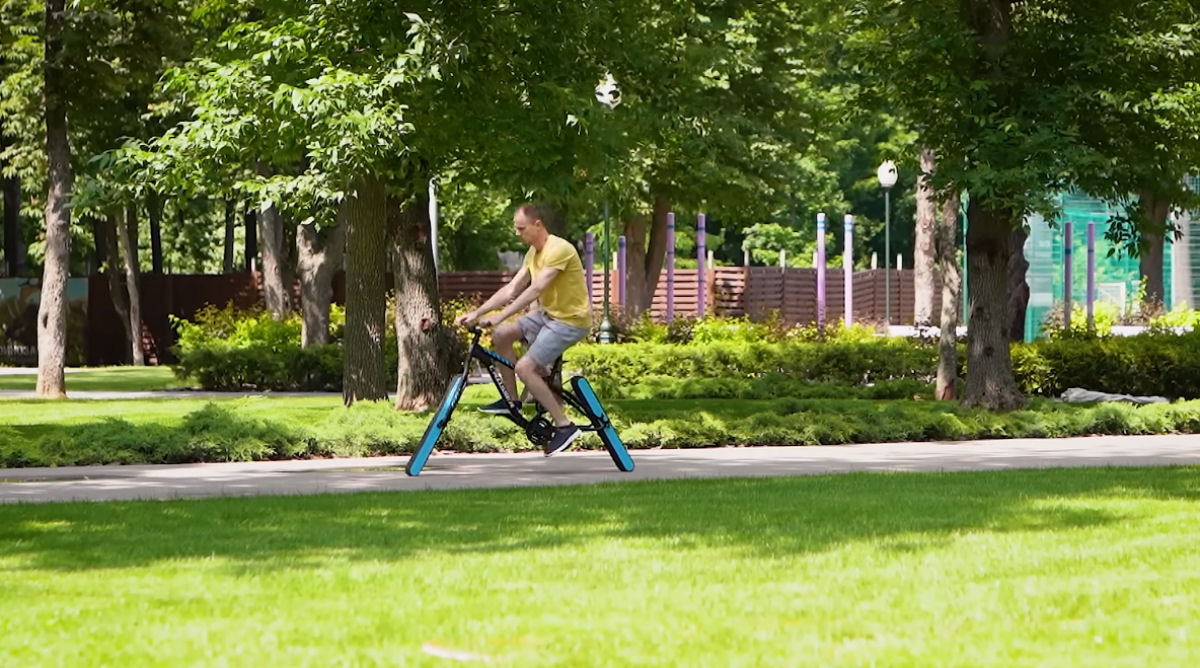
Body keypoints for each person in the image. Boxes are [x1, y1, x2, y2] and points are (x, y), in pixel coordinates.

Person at [455, 203, 591, 456]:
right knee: (501, 334)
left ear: (537, 225)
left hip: (570, 321)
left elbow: (536, 289)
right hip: (548, 315)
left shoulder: (559, 249)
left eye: (521, 228)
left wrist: (502, 315)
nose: (518, 233)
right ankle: (512, 401)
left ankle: (565, 425)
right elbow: (511, 289)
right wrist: (478, 313)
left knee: (524, 367)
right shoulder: (533, 253)